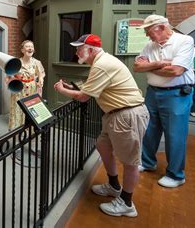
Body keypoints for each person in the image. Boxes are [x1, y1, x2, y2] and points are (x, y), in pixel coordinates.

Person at [54, 34, 149, 218]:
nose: (76, 52)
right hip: (115, 115)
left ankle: (127, 203)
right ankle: (114, 186)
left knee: (130, 162)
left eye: (79, 48)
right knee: (102, 146)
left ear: (90, 50)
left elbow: (84, 97)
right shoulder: (101, 62)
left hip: (126, 115)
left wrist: (62, 90)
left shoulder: (101, 65)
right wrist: (73, 88)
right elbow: (89, 89)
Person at [133, 14, 195, 189]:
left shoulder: (184, 41)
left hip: (177, 95)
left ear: (160, 27)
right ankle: (147, 162)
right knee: (149, 130)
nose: (147, 35)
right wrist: (160, 63)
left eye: (148, 31)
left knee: (175, 135)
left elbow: (176, 70)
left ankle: (176, 175)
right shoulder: (149, 45)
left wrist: (150, 65)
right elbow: (137, 67)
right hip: (153, 93)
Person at [7, 40, 45, 131]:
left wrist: (41, 79)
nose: (30, 48)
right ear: (22, 50)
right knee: (17, 109)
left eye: (31, 47)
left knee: (31, 109)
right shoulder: (16, 62)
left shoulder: (37, 62)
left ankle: (31, 132)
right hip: (19, 89)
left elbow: (41, 73)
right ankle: (16, 131)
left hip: (32, 89)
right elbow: (9, 75)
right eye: (27, 46)